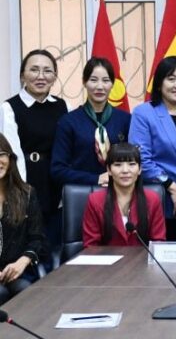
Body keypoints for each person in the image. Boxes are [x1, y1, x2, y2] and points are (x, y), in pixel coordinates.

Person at [129, 56, 176, 240]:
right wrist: (170, 185)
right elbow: (140, 159)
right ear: (159, 83)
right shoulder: (144, 113)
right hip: (161, 198)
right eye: (171, 79)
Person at [0, 50, 68, 246]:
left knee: (55, 241)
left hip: (55, 179)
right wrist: (23, 193)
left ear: (55, 76)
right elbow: (12, 153)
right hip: (26, 178)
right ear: (23, 75)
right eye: (34, 70)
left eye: (47, 71)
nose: (41, 76)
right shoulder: (9, 107)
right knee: (30, 239)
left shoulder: (63, 106)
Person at [51, 58, 132, 187]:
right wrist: (95, 179)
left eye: (105, 80)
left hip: (119, 192)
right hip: (82, 193)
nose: (100, 86)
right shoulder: (68, 122)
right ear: (84, 82)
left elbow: (134, 162)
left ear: (112, 84)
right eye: (93, 80)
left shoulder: (125, 120)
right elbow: (57, 170)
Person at [82, 143, 165, 247]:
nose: (125, 170)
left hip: (142, 257)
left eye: (132, 164)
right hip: (107, 257)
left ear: (140, 169)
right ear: (109, 170)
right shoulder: (95, 200)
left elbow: (158, 243)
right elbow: (91, 246)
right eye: (118, 165)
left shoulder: (152, 199)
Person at [0, 133, 47, 305]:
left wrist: (23, 261)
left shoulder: (26, 194)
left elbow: (37, 238)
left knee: (26, 291)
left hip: (18, 271)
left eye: (1, 155)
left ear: (10, 158)